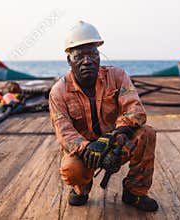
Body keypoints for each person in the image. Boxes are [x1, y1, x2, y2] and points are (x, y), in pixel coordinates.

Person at [49, 21, 158, 212]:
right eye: (79, 56)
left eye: (92, 54)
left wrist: (116, 136)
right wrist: (88, 148)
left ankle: (134, 192)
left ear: (99, 55)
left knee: (146, 134)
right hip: (86, 152)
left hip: (116, 142)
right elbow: (64, 132)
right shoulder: (58, 92)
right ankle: (82, 188)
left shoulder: (117, 76)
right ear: (69, 60)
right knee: (71, 170)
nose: (87, 61)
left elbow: (135, 109)